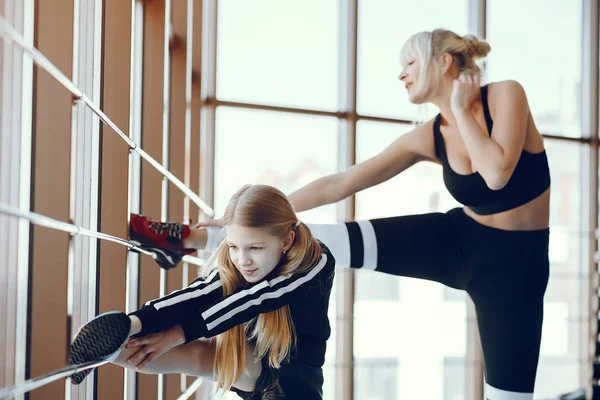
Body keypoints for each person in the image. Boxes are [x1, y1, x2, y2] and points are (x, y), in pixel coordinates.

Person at [194, 29, 551, 399]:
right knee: (330, 239)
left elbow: (496, 175)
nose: (402, 75)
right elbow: (344, 182)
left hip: (516, 267)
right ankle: (205, 237)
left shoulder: (506, 94)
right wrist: (255, 211)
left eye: (409, 63)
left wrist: (461, 109)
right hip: (459, 238)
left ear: (444, 62)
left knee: (509, 396)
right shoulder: (431, 134)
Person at [69, 184, 336, 400]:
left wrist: (179, 333)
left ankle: (109, 345)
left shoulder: (317, 261)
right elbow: (200, 293)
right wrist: (138, 321)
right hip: (252, 363)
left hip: (295, 381)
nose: (243, 260)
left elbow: (255, 299)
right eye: (233, 246)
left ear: (287, 240)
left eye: (255, 248)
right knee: (193, 355)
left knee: (192, 350)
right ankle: (104, 349)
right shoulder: (240, 265)